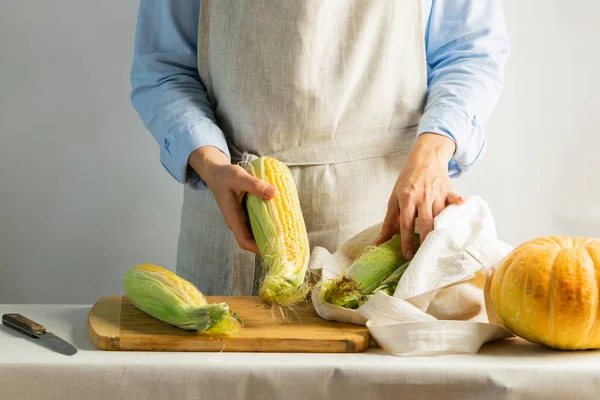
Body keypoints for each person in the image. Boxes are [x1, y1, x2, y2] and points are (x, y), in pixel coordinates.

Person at [130, 0, 510, 296]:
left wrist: (433, 155)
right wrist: (208, 161)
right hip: (232, 208)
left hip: (378, 212)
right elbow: (163, 68)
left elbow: (470, 53)